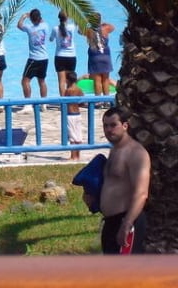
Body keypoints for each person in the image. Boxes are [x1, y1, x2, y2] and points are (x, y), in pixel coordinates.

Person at [81, 107, 150, 254]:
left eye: (113, 125)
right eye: (105, 125)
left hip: (127, 221)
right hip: (111, 223)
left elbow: (142, 193)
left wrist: (127, 224)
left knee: (126, 274)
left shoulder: (136, 153)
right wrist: (94, 199)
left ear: (125, 126)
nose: (108, 130)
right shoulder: (115, 151)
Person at [17, 8, 50, 101]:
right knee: (42, 81)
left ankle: (28, 103)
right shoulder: (45, 26)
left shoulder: (29, 28)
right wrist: (36, 16)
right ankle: (44, 103)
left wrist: (23, 16)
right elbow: (42, 21)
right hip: (44, 58)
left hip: (33, 59)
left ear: (31, 19)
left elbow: (19, 25)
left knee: (25, 81)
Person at [85, 13, 116, 96]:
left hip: (95, 57)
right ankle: (106, 101)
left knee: (97, 81)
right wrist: (103, 23)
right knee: (106, 80)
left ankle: (98, 102)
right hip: (105, 56)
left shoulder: (89, 30)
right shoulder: (106, 28)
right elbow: (113, 27)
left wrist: (87, 23)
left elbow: (79, 31)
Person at [50, 10, 78, 95]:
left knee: (61, 81)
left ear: (59, 18)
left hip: (60, 56)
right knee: (70, 80)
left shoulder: (55, 28)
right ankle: (70, 98)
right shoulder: (72, 27)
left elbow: (51, 39)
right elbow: (79, 25)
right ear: (68, 17)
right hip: (71, 56)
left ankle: (63, 101)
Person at [64, 71, 84, 160]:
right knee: (78, 135)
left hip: (70, 115)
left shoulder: (68, 91)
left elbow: (64, 102)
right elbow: (83, 102)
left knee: (72, 136)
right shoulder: (79, 89)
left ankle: (73, 156)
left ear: (68, 80)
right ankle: (78, 155)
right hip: (78, 114)